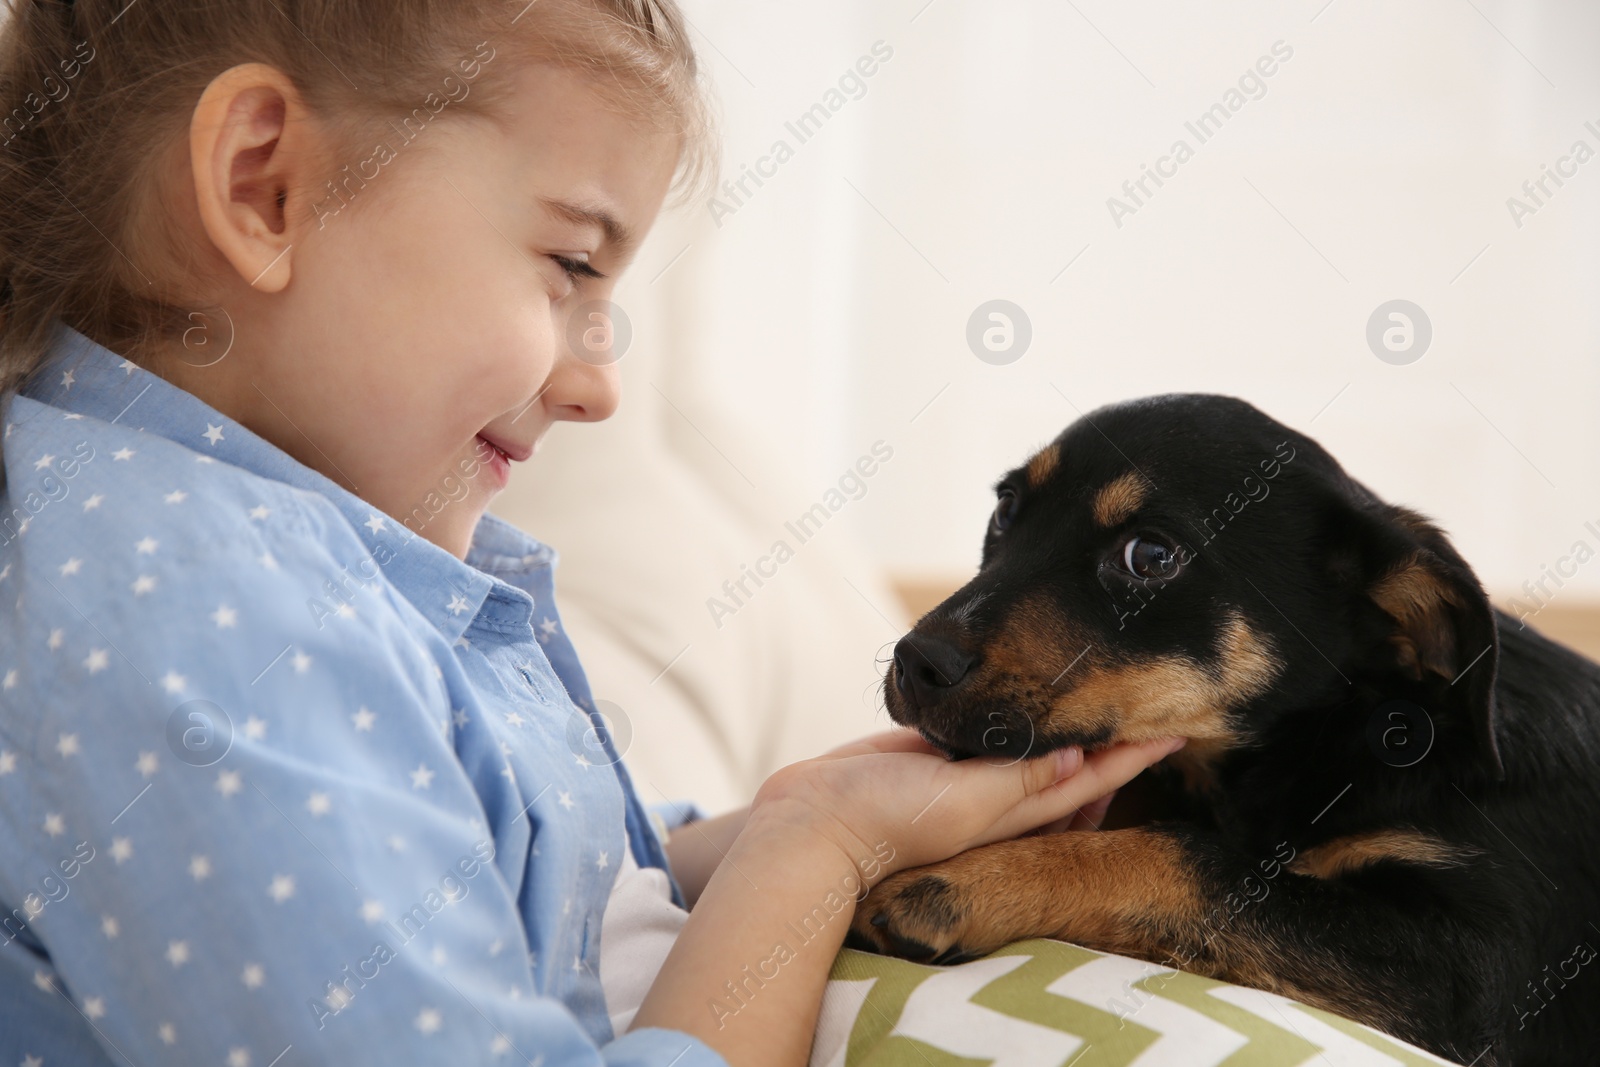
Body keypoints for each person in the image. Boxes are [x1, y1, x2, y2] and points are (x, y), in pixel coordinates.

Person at [0, 1, 1185, 1064]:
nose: (598, 387)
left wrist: (779, 823)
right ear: (267, 185)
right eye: (569, 265)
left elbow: (522, 877)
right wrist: (810, 856)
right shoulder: (193, 611)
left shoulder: (272, 556)